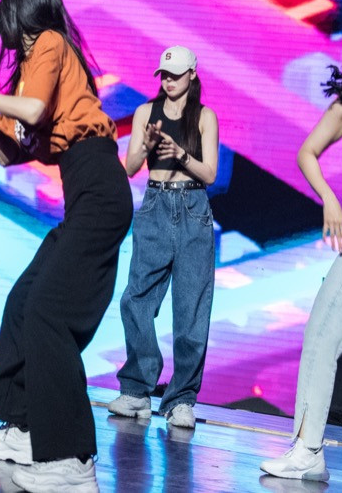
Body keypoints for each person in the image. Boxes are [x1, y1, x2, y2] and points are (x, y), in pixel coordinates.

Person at [0, 0, 132, 492]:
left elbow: (36, 112)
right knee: (23, 301)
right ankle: (25, 428)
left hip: (100, 186)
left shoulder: (50, 43)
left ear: (21, 11)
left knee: (47, 312)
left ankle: (71, 459)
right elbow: (8, 153)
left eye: (4, 12)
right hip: (82, 193)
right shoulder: (28, 72)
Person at [109, 46, 219, 429]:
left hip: (192, 208)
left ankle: (181, 399)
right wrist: (146, 145)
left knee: (191, 309)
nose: (169, 81)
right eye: (164, 75)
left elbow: (210, 174)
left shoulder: (204, 117)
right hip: (155, 204)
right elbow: (130, 167)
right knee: (135, 299)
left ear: (192, 74)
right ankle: (137, 390)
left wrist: (180, 154)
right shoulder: (146, 113)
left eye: (176, 74)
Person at [260, 65, 342, 482]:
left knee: (321, 335)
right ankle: (307, 449)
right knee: (321, 334)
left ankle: (308, 450)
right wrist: (329, 198)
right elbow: (307, 152)